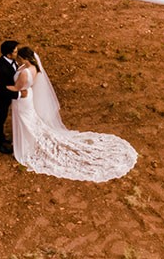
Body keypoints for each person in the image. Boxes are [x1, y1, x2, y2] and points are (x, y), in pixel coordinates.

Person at [10, 46, 137, 182]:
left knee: (26, 121)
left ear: (25, 58)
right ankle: (26, 142)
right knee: (30, 121)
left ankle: (25, 146)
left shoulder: (24, 73)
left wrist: (0, 87)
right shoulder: (34, 69)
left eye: (19, 58)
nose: (17, 59)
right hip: (28, 95)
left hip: (23, 98)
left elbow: (17, 88)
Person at [0, 39, 19, 154]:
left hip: (5, 95)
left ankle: (1, 137)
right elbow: (1, 89)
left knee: (2, 117)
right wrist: (18, 94)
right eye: (15, 52)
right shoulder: (2, 68)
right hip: (0, 97)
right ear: (8, 54)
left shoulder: (11, 61)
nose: (17, 53)